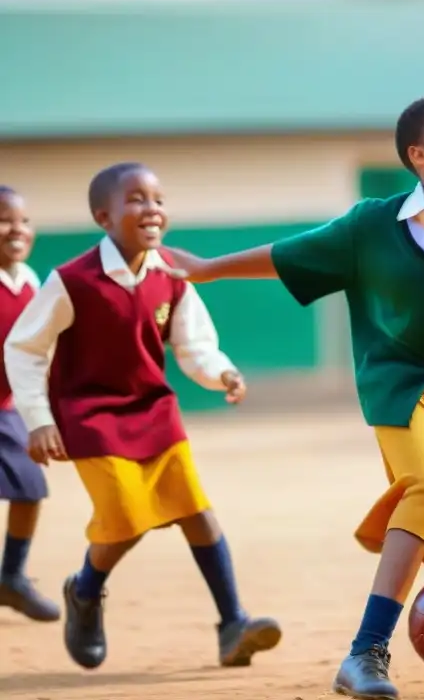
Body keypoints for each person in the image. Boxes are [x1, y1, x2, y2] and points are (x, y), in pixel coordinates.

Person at [167, 94, 424, 700]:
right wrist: (209, 268)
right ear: (418, 155)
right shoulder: (369, 225)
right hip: (401, 389)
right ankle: (366, 652)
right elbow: (289, 255)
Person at [4, 163, 281, 670]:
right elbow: (24, 349)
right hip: (91, 418)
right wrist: (39, 418)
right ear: (103, 217)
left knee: (196, 512)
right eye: (136, 199)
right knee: (126, 519)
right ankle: (85, 593)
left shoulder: (172, 271)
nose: (152, 208)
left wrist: (222, 373)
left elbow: (193, 343)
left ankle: (232, 623)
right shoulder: (71, 280)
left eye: (158, 198)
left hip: (155, 411)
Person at [0, 185, 60, 623]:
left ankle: (11, 578)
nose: (16, 229)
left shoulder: (31, 281)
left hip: (7, 408)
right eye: (4, 220)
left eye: (23, 220)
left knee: (30, 486)